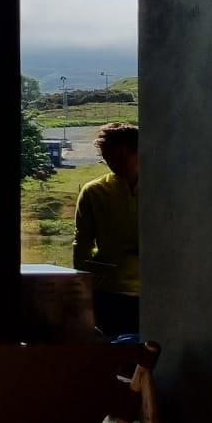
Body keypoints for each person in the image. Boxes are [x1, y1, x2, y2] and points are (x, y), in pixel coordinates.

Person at [73, 123, 139, 337]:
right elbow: (82, 243)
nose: (112, 165)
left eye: (119, 158)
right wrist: (83, 288)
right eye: (107, 159)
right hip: (110, 292)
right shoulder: (94, 192)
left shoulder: (167, 188)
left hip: (157, 290)